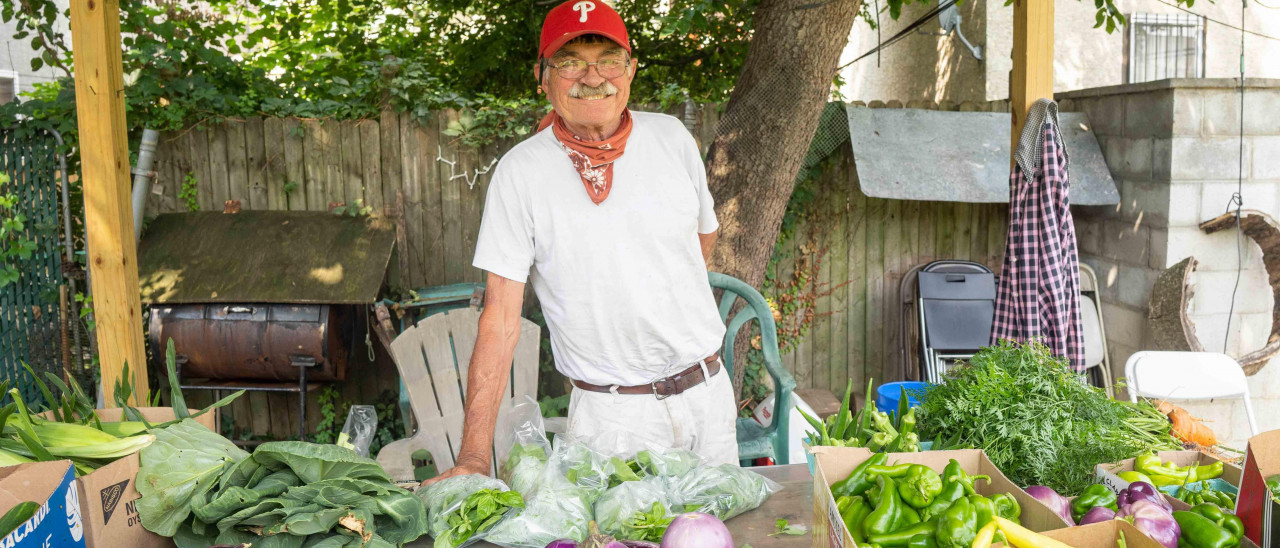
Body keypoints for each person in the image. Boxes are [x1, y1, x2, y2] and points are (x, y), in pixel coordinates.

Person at [424, 0, 737, 485]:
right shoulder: (520, 174)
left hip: (708, 398)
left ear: (631, 70)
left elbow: (705, 232)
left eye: (608, 59)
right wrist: (472, 458)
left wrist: (656, 297)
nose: (593, 77)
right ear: (543, 77)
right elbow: (501, 320)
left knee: (720, 534)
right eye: (569, 62)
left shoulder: (672, 138)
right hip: (612, 419)